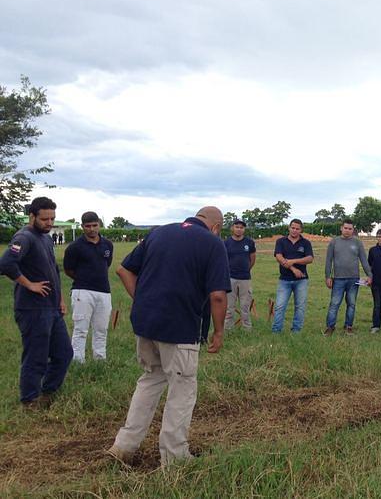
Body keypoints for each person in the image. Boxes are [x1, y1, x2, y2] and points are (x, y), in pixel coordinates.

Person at [107, 207, 230, 466]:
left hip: (146, 324)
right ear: (216, 227)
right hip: (181, 327)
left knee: (150, 379)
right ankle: (175, 457)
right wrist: (218, 332)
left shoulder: (158, 233)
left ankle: (124, 446)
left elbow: (124, 270)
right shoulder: (213, 243)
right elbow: (218, 295)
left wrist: (142, 300)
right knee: (182, 389)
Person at [0, 197, 72, 407]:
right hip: (32, 309)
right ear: (32, 216)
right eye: (45, 219)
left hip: (52, 307)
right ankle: (30, 399)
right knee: (36, 356)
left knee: (64, 353)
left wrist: (60, 299)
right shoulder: (24, 237)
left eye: (52, 219)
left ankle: (47, 392)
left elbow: (53, 271)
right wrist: (29, 284)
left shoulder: (46, 238)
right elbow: (6, 264)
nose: (49, 223)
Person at [63, 211, 114, 363]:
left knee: (101, 329)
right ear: (82, 226)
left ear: (99, 224)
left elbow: (107, 264)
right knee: (81, 329)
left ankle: (100, 359)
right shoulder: (74, 247)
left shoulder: (108, 245)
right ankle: (78, 361)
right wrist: (84, 279)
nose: (91, 229)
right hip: (82, 291)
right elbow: (68, 269)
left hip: (104, 291)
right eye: (88, 226)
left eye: (94, 225)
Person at [324, 219, 371, 335]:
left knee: (352, 304)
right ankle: (330, 327)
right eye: (345, 228)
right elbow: (328, 260)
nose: (347, 231)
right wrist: (328, 276)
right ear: (341, 228)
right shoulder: (334, 242)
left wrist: (370, 275)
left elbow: (364, 261)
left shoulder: (358, 243)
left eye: (350, 229)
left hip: (354, 279)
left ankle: (348, 326)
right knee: (334, 304)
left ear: (353, 230)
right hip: (338, 279)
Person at [273, 218, 314, 333]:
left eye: (297, 229)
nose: (294, 230)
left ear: (301, 230)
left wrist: (293, 261)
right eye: (293, 228)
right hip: (284, 280)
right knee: (280, 306)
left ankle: (296, 331)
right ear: (289, 228)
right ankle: (276, 331)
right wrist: (293, 268)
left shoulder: (306, 243)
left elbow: (310, 258)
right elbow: (279, 257)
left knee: (300, 307)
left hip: (301, 280)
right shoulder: (281, 241)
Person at [223, 220, 256, 331]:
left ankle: (247, 329)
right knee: (229, 307)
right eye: (237, 227)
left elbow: (252, 259)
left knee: (245, 307)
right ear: (232, 228)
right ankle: (228, 329)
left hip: (245, 279)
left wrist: (246, 270)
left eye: (241, 227)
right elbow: (223, 260)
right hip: (230, 278)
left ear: (244, 229)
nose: (239, 229)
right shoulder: (226, 243)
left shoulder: (249, 242)